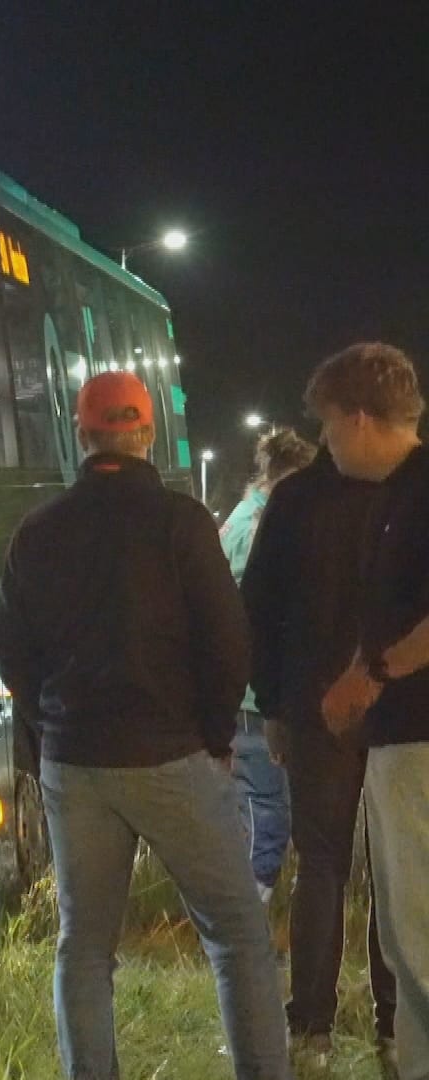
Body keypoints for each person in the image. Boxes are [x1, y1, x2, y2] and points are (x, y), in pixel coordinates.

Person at [0, 371, 290, 1080]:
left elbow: (10, 651)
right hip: (171, 755)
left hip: (77, 762)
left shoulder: (39, 531)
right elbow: (229, 641)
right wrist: (216, 737)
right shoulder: (181, 522)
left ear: (82, 432)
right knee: (238, 937)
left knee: (84, 948)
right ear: (148, 433)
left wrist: (53, 722)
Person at [241, 439, 397, 1071]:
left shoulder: (296, 498)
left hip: (313, 708)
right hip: (404, 710)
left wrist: (273, 706)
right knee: (397, 867)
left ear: (352, 417)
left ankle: (311, 1030)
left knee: (321, 864)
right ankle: (397, 1027)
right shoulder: (410, 490)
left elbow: (259, 609)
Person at [312, 343, 429, 1080]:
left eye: (327, 428)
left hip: (419, 742)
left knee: (416, 932)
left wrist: (374, 676)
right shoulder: (399, 494)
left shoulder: (420, 492)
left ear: (359, 419)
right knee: (405, 934)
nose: (325, 445)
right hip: (403, 740)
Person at [219, 428, 315, 901]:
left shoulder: (240, 519)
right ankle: (247, 928)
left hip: (245, 692)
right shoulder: (264, 527)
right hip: (258, 696)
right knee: (267, 811)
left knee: (259, 808)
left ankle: (248, 923)